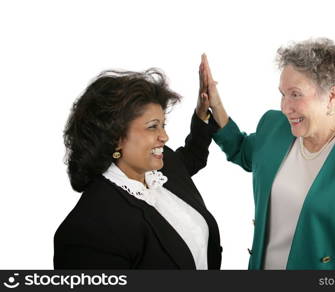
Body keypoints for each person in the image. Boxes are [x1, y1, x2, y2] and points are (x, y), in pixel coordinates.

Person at [200, 38, 335, 270]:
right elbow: (240, 149)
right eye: (283, 94)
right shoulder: (274, 127)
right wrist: (215, 106)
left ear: (332, 97)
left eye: (295, 94)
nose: (285, 107)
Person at [54, 65, 222, 269]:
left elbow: (192, 157)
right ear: (115, 137)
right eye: (152, 126)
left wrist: (202, 113)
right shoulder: (88, 229)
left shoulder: (160, 166)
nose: (164, 137)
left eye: (163, 125)